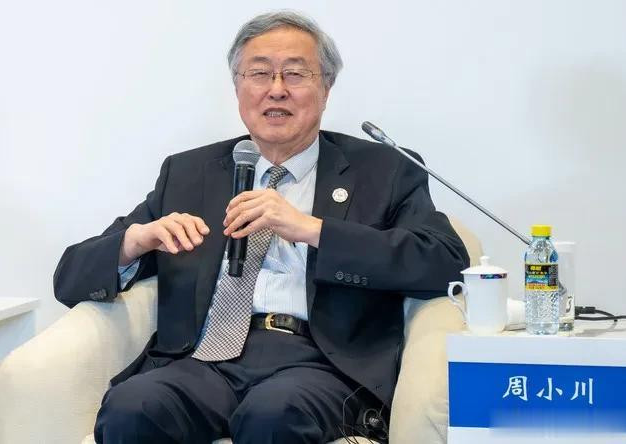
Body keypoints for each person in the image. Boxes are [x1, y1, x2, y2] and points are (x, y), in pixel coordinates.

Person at [53, 10, 469, 444]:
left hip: (318, 365)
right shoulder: (189, 173)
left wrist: (313, 230)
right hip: (203, 362)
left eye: (296, 73)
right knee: (132, 407)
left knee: (273, 413)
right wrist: (134, 242)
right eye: (259, 73)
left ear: (326, 88)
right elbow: (69, 278)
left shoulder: (383, 170)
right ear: (237, 87)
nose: (276, 89)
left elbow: (445, 261)